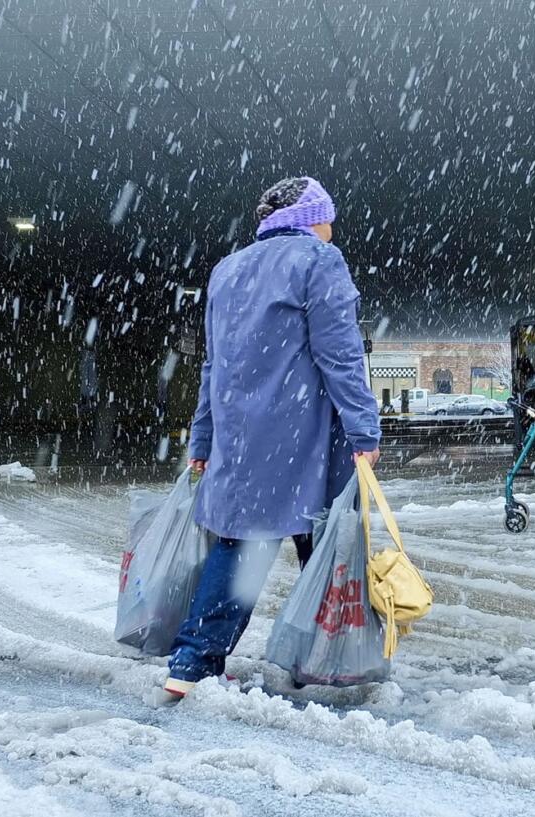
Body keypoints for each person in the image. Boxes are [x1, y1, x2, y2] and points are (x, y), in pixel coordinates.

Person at [164, 177, 382, 697]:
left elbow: (212, 367)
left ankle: (191, 664)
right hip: (305, 438)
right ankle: (322, 658)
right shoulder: (319, 261)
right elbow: (340, 356)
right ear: (311, 220)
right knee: (327, 547)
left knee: (240, 549)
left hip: (242, 443)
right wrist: (364, 431)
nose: (332, 229)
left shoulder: (228, 269)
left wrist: (202, 441)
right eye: (328, 218)